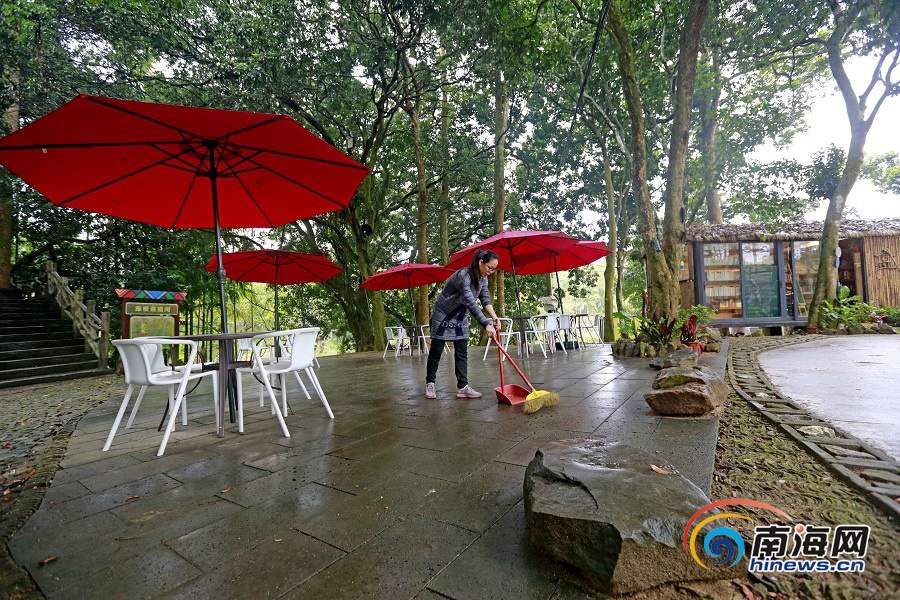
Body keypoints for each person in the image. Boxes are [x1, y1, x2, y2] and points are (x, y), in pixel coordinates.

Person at [425, 249, 501, 399]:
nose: (491, 272)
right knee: (436, 351)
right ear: (481, 262)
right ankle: (430, 383)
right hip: (443, 314)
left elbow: (485, 298)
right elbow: (470, 302)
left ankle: (463, 387)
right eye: (489, 268)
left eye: (493, 269)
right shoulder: (463, 276)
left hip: (460, 317)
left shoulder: (483, 279)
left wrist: (494, 317)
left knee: (462, 352)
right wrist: (485, 323)